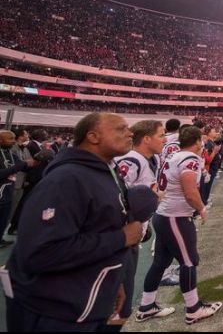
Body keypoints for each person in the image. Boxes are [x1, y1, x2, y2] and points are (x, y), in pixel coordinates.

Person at [5, 113, 143, 331]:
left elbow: (96, 226)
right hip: (57, 313)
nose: (130, 132)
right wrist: (121, 238)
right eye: (120, 128)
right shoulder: (66, 179)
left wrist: (112, 282)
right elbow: (41, 253)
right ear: (93, 136)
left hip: (86, 301)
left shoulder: (103, 171)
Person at [137, 126, 222, 325]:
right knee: (189, 261)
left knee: (160, 262)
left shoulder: (174, 156)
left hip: (164, 214)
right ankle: (193, 309)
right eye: (201, 142)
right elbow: (190, 191)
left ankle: (146, 306)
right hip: (175, 216)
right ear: (197, 142)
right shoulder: (189, 159)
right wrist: (201, 208)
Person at [113, 120, 166, 326]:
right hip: (124, 236)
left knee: (125, 291)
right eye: (160, 135)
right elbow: (119, 195)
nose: (164, 139)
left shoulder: (149, 159)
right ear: (146, 138)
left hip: (134, 232)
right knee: (119, 301)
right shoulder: (132, 160)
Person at [0, 130, 38, 249]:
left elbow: (25, 166)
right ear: (1, 140)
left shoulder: (10, 152)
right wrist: (21, 166)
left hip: (9, 191)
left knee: (5, 219)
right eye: (10, 139)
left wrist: (38, 159)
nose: (13, 141)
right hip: (1, 192)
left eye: (13, 139)